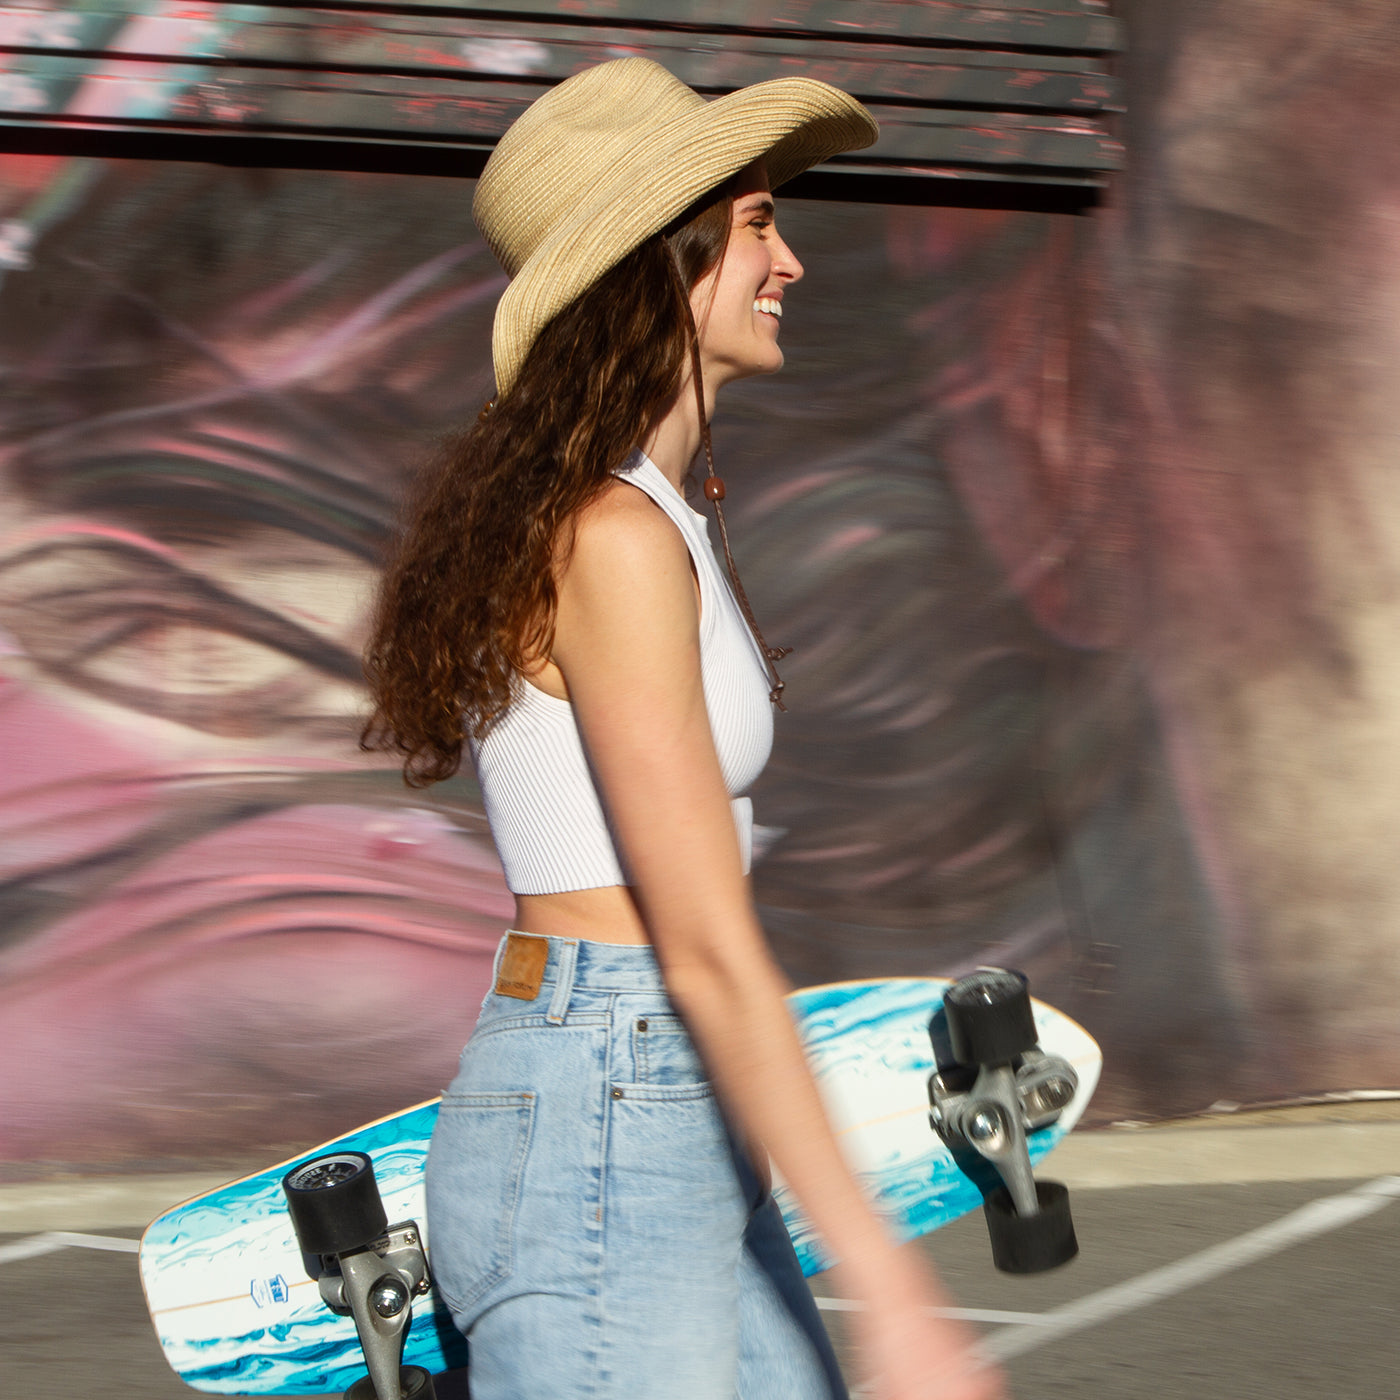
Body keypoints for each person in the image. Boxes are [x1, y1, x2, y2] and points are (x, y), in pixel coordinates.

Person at [362, 58, 1005, 1400]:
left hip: (641, 1083)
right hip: (607, 1086)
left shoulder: (648, 517)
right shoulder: (610, 538)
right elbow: (701, 941)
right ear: (669, 261)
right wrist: (891, 1284)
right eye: (760, 223)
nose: (791, 262)